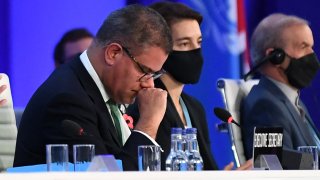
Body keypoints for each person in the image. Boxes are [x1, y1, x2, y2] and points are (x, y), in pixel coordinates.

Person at [14, 4, 172, 171]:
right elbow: (106, 175)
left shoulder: (107, 90)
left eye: (154, 74)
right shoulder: (67, 100)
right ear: (113, 53)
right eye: (145, 71)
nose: (149, 84)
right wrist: (148, 124)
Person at [127, 1, 252, 170]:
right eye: (184, 44)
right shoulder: (146, 104)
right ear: (160, 50)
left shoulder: (194, 107)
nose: (195, 52)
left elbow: (206, 169)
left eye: (199, 43)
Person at [241, 13, 320, 159]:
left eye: (311, 47)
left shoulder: (291, 99)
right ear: (275, 56)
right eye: (303, 47)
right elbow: (271, 164)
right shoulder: (264, 105)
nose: (312, 54)